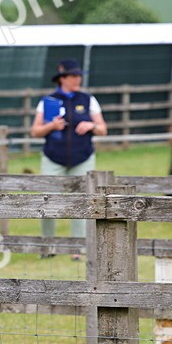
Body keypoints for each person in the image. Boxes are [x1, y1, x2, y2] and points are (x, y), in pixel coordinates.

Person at [30, 60, 106, 253]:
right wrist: (51, 126)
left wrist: (92, 126)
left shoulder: (88, 100)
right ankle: (48, 248)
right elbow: (35, 131)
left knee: (83, 202)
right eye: (73, 76)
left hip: (83, 157)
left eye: (79, 75)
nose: (78, 79)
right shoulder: (47, 101)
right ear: (62, 78)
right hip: (53, 157)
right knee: (47, 201)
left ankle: (78, 249)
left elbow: (103, 129)